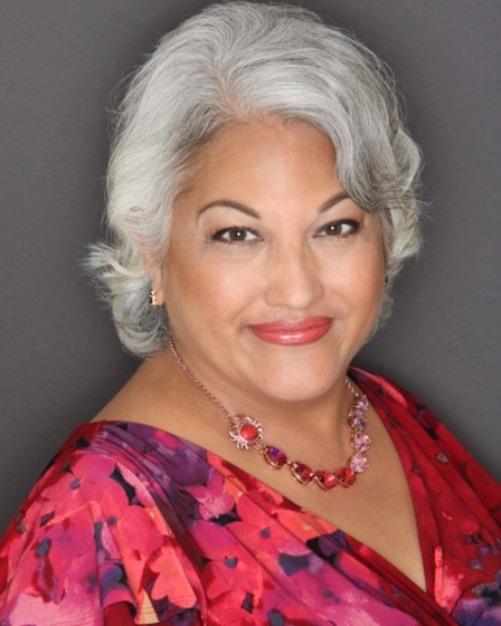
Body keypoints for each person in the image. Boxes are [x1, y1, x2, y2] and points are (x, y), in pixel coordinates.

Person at [0, 1, 499, 624]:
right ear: (153, 250)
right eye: (238, 234)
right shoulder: (90, 523)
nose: (297, 289)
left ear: (387, 231)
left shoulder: (393, 414)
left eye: (336, 226)